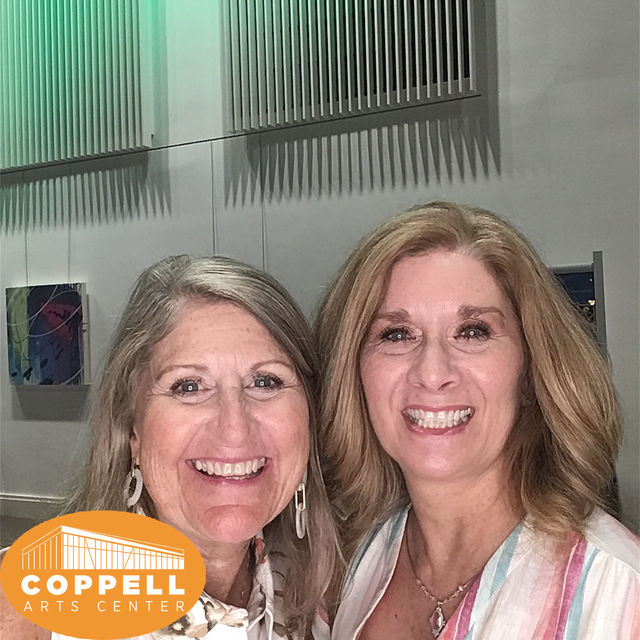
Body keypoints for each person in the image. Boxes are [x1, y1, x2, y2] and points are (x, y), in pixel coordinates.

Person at [316, 202, 639, 639]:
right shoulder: (346, 569)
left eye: (473, 332)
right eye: (396, 334)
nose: (433, 372)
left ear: (530, 370)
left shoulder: (618, 590)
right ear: (353, 370)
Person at [1, 255, 340, 640]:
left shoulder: (323, 588)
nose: (234, 429)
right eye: (189, 386)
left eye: (265, 381)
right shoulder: (26, 607)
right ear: (133, 430)